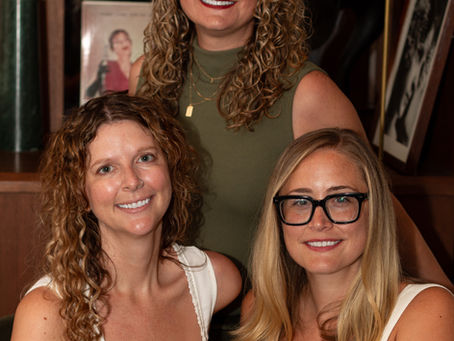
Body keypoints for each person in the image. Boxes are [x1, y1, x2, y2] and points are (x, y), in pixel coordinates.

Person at [129, 0, 452, 288]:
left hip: (263, 320)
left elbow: (379, 207)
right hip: (167, 312)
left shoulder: (307, 92)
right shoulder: (146, 76)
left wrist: (443, 299)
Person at [10, 93, 242, 341]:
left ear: (170, 168)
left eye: (145, 158)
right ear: (81, 195)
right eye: (106, 169)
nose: (132, 181)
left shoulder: (216, 279)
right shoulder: (47, 313)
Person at [236, 128, 454, 341]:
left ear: (375, 210)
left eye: (341, 200)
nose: (319, 222)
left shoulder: (427, 310)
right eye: (300, 202)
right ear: (277, 216)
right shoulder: (260, 310)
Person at [86, 29, 132, 98]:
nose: (123, 43)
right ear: (112, 48)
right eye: (118, 41)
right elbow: (88, 95)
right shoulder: (106, 66)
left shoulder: (138, 68)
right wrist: (98, 80)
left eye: (126, 39)